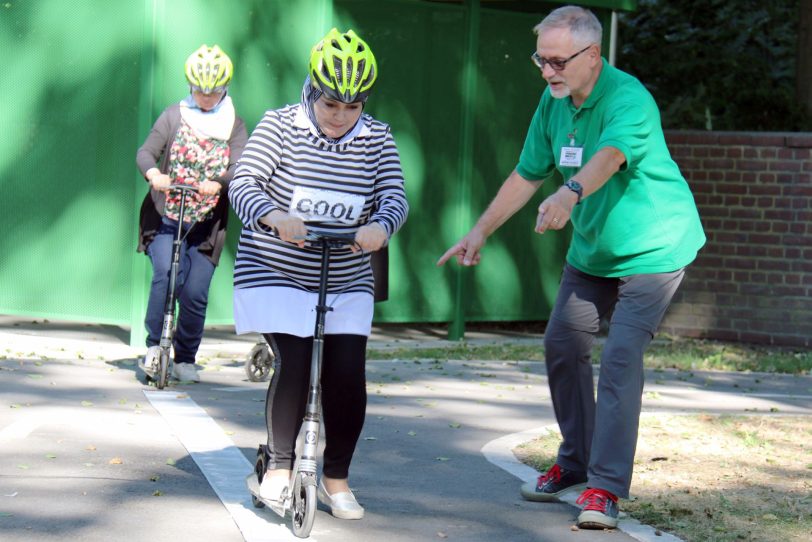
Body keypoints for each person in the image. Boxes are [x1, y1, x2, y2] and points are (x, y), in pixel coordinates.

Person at [437, 5, 705, 530]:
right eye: (542, 60)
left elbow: (608, 156)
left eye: (559, 62)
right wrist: (480, 230)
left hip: (654, 249)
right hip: (593, 253)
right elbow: (526, 172)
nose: (548, 71)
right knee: (562, 344)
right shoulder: (553, 101)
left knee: (622, 357)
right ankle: (574, 459)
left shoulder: (628, 99)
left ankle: (604, 489)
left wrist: (570, 191)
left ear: (593, 56)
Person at [228, 29, 408, 520]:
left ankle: (336, 478)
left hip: (345, 271)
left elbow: (395, 196)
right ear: (312, 88)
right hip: (276, 265)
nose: (340, 116)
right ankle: (280, 468)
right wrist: (273, 215)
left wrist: (380, 225)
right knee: (298, 357)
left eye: (352, 108)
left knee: (346, 373)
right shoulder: (279, 125)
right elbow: (243, 183)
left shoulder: (378, 137)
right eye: (331, 105)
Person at [136, 44, 248, 383]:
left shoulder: (234, 125)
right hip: (166, 217)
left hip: (205, 225)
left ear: (223, 89)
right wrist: (154, 175)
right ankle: (155, 347)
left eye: (213, 92)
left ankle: (185, 358)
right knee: (167, 278)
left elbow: (240, 164)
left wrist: (219, 181)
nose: (206, 97)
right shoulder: (174, 115)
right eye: (200, 91)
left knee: (195, 291)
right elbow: (146, 152)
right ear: (191, 87)